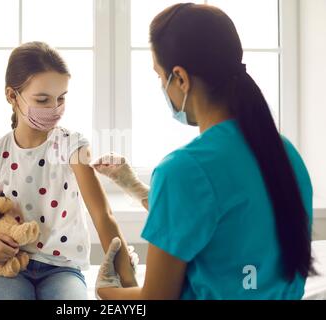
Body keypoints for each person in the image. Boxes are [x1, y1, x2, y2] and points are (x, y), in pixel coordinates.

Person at [93, 3, 316, 300]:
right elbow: (226, 222)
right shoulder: (284, 153)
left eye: (160, 77)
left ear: (181, 78)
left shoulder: (183, 168)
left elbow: (155, 300)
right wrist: (135, 187)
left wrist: (107, 292)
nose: (162, 86)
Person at [0, 41, 137, 300]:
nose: (55, 108)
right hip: (9, 268)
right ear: (11, 96)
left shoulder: (72, 145)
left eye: (61, 98)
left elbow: (102, 214)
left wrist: (129, 282)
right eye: (42, 99)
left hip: (63, 270)